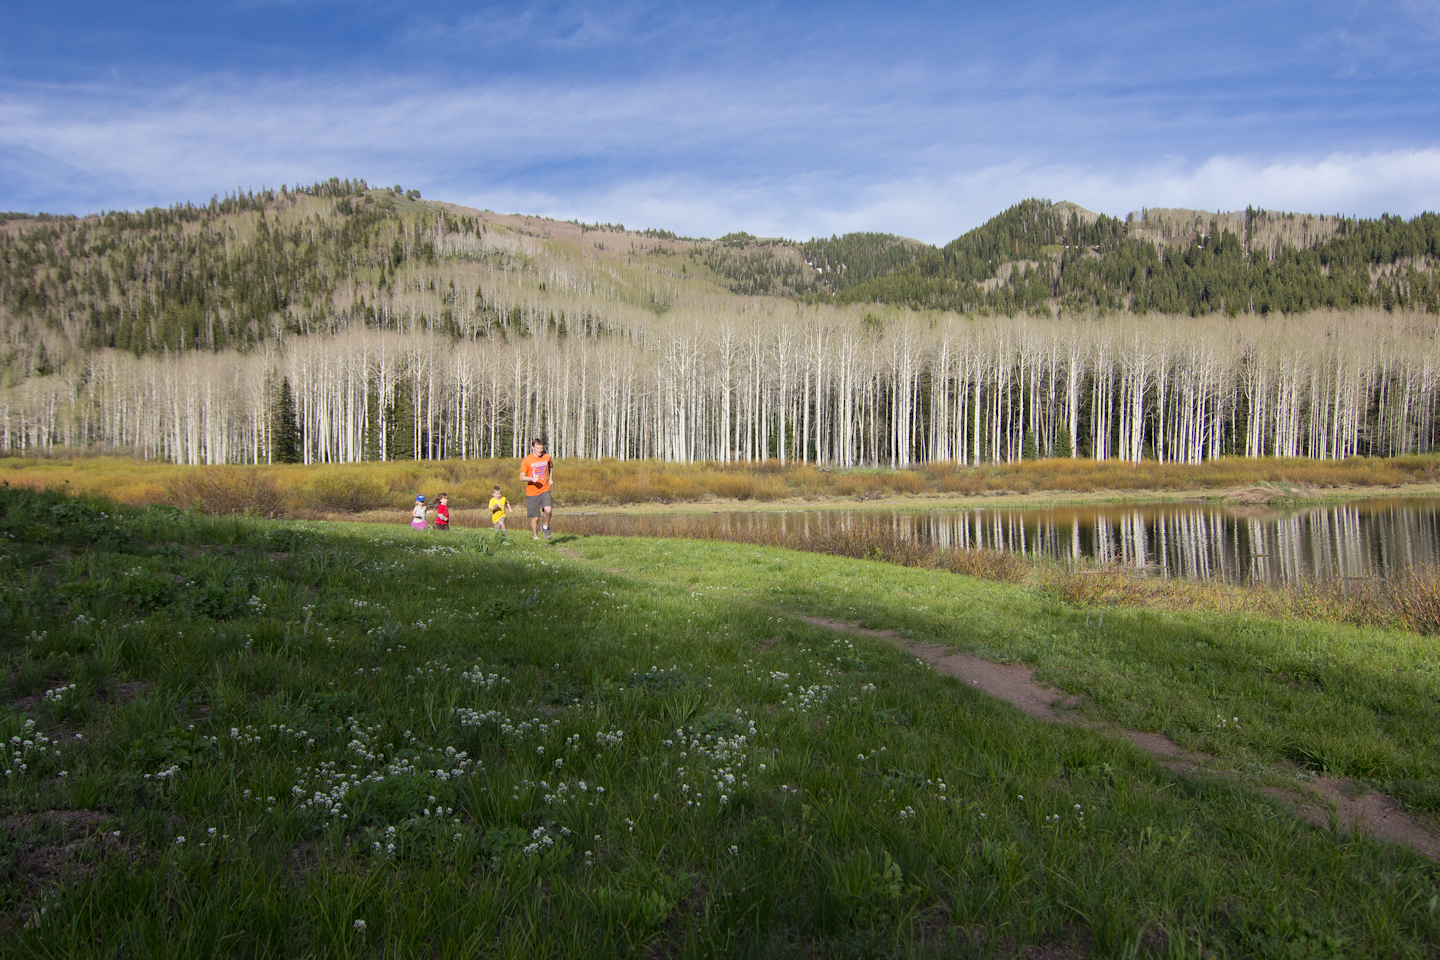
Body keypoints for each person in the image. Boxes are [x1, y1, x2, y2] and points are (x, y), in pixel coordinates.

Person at [519, 438, 554, 540]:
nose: (539, 450)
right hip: (532, 492)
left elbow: (551, 466)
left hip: (544, 489)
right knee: (535, 517)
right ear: (533, 447)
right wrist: (531, 478)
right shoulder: (527, 460)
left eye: (541, 448)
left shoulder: (546, 457)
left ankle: (545, 527)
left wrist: (550, 478)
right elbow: (521, 477)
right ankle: (535, 537)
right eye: (537, 448)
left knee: (548, 510)